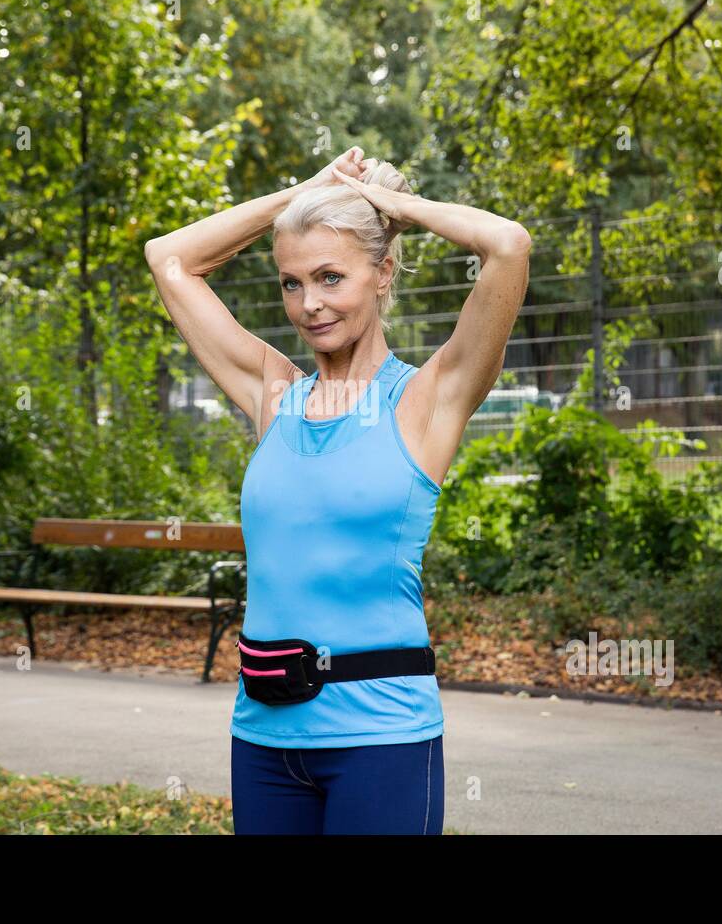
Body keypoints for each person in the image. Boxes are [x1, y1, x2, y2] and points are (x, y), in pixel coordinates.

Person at [145, 146, 529, 834]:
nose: (309, 304)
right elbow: (169, 257)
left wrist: (395, 211)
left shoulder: (426, 400)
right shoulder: (274, 396)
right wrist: (304, 192)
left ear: (383, 273)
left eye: (330, 276)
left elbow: (507, 244)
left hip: (380, 740)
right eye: (292, 283)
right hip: (262, 738)